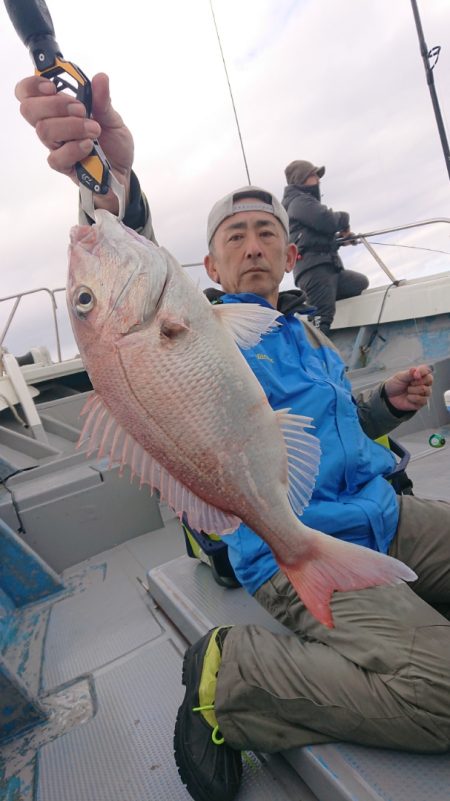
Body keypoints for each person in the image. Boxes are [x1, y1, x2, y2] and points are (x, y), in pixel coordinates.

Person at [15, 73, 450, 801]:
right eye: (234, 238)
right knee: (441, 692)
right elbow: (130, 252)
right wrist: (108, 179)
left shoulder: (307, 331)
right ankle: (232, 675)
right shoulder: (202, 326)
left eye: (268, 234)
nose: (254, 246)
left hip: (380, 510)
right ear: (206, 270)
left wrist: (384, 405)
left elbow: (322, 433)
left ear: (288, 257)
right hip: (288, 538)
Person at [282, 159, 369, 335]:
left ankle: (318, 301)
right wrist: (344, 220)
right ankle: (316, 358)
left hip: (329, 269)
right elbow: (326, 221)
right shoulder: (298, 202)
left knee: (359, 283)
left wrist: (339, 239)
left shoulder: (304, 203)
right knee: (321, 322)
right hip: (315, 271)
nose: (318, 180)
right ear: (302, 178)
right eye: (314, 175)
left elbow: (314, 236)